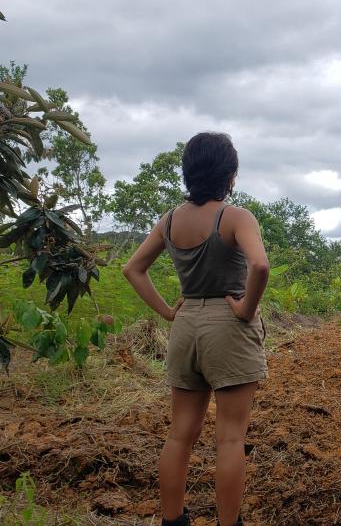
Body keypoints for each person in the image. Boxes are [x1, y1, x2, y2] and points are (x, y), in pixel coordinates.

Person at [123, 132, 269, 526]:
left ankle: (173, 520)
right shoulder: (236, 217)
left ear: (188, 173)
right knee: (231, 438)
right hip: (228, 326)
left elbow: (132, 268)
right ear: (231, 175)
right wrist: (245, 308)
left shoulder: (170, 219)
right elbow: (259, 266)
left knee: (179, 435)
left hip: (186, 327)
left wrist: (169, 313)